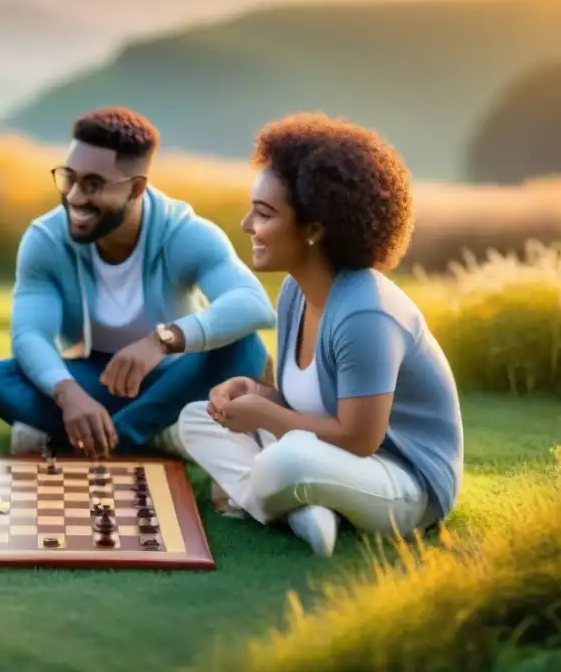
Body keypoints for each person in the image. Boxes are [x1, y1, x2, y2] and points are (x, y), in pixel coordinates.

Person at [174, 113, 464, 557]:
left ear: (314, 229)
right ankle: (302, 510)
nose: (247, 224)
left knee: (285, 462)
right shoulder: (295, 291)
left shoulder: (365, 313)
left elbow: (360, 438)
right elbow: (304, 405)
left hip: (402, 481)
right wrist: (253, 392)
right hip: (332, 456)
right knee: (196, 418)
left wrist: (265, 417)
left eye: (265, 213)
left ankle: (277, 500)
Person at [0, 107, 276, 458]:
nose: (74, 197)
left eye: (93, 185)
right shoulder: (46, 238)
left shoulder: (184, 232)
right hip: (100, 379)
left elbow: (253, 303)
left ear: (136, 189)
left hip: (176, 376)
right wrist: (69, 395)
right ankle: (159, 432)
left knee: (246, 348)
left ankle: (117, 433)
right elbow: (30, 334)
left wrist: (162, 341)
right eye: (69, 178)